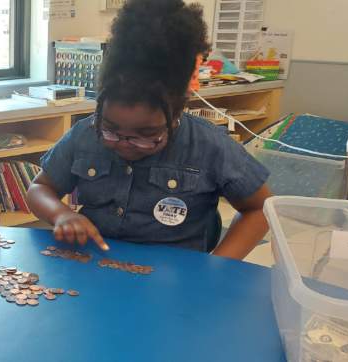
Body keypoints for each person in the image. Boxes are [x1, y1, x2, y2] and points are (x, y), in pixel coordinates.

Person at [26, 0, 271, 260]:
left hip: (176, 279)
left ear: (177, 111)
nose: (124, 143)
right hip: (95, 267)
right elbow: (39, 189)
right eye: (110, 129)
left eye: (147, 135)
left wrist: (218, 266)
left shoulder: (210, 145)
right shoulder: (85, 133)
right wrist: (61, 213)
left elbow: (260, 209)